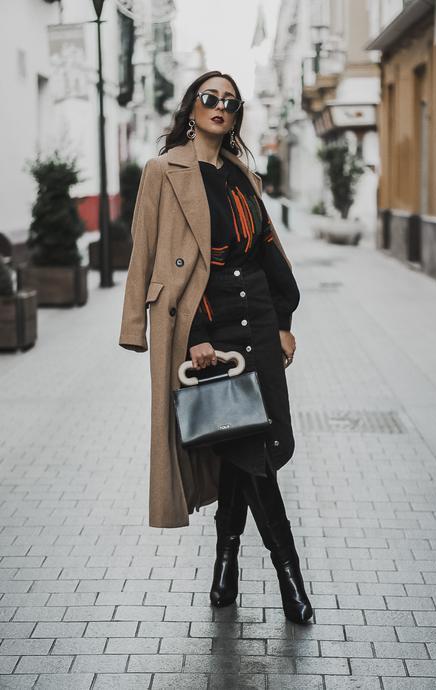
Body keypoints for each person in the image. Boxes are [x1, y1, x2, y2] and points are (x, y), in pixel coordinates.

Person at [119, 70, 312, 624]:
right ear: (191, 108)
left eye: (230, 101)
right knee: (251, 453)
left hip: (257, 322)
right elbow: (146, 251)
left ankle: (225, 563)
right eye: (210, 99)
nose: (220, 108)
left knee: (253, 444)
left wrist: (284, 318)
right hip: (206, 329)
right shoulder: (164, 171)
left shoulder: (242, 176)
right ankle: (289, 578)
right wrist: (187, 336)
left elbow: (270, 251)